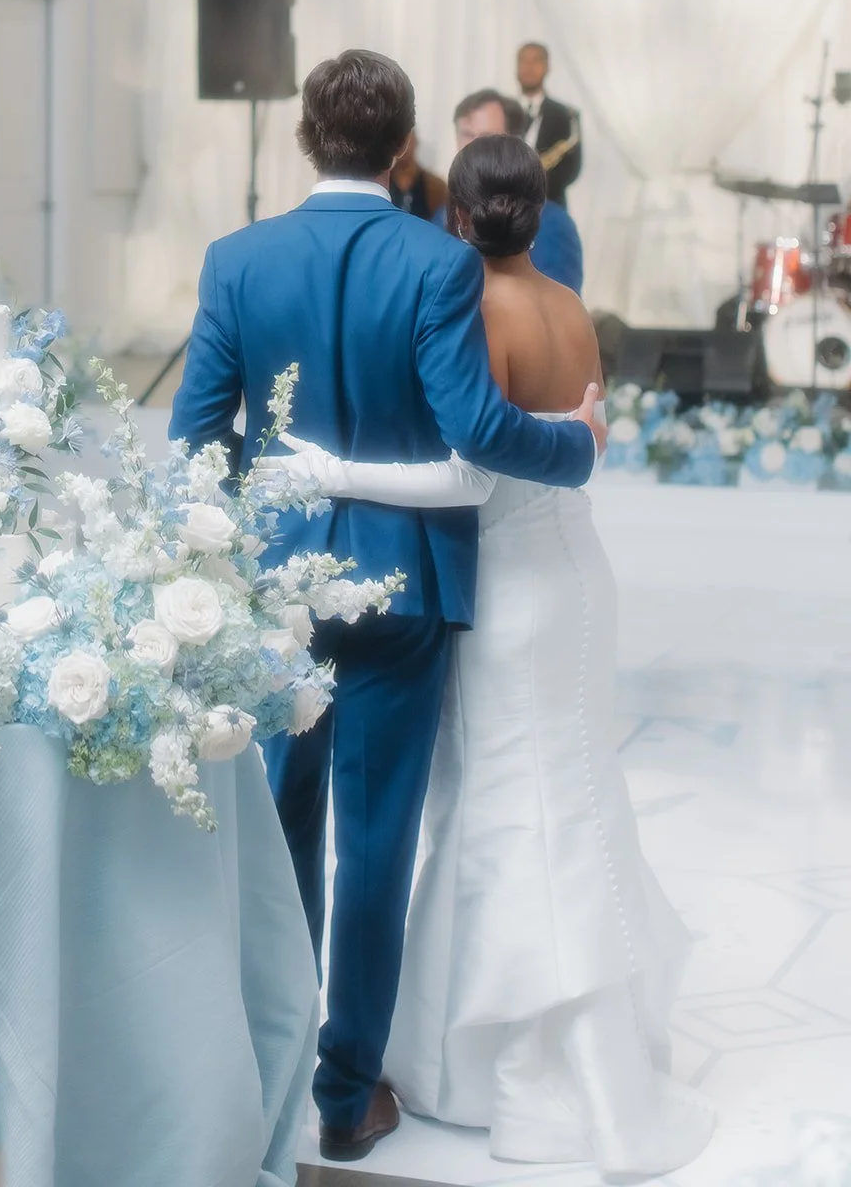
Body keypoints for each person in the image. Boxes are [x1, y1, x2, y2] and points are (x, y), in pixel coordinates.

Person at [169, 50, 603, 1164]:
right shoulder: (437, 263)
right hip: (403, 586)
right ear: (405, 149)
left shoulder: (234, 260)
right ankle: (345, 1091)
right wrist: (578, 441)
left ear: (308, 141)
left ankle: (263, 1061)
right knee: (373, 839)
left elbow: (192, 444)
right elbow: (480, 433)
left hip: (273, 591)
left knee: (279, 826)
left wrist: (251, 520)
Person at [259, 134, 714, 1180]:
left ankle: (504, 1062)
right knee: (564, 787)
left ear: (454, 218)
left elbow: (466, 477)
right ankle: (570, 1039)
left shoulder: (479, 310)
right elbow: (577, 442)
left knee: (506, 808)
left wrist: (336, 468)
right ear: (537, 213)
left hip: (507, 588)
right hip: (576, 580)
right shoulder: (567, 307)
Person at [435, 90, 584, 294]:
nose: (474, 147)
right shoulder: (441, 217)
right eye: (467, 135)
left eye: (487, 137)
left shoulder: (553, 223)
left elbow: (558, 310)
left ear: (515, 141)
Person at [516, 41, 582, 207]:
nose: (528, 67)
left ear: (547, 67)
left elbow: (571, 171)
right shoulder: (501, 111)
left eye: (536, 61)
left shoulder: (567, 115)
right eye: (523, 60)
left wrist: (532, 185)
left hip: (550, 208)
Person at [390, 131, 448, 220]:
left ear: (416, 143)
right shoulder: (381, 182)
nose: (404, 148)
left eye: (407, 142)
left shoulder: (436, 185)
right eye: (399, 143)